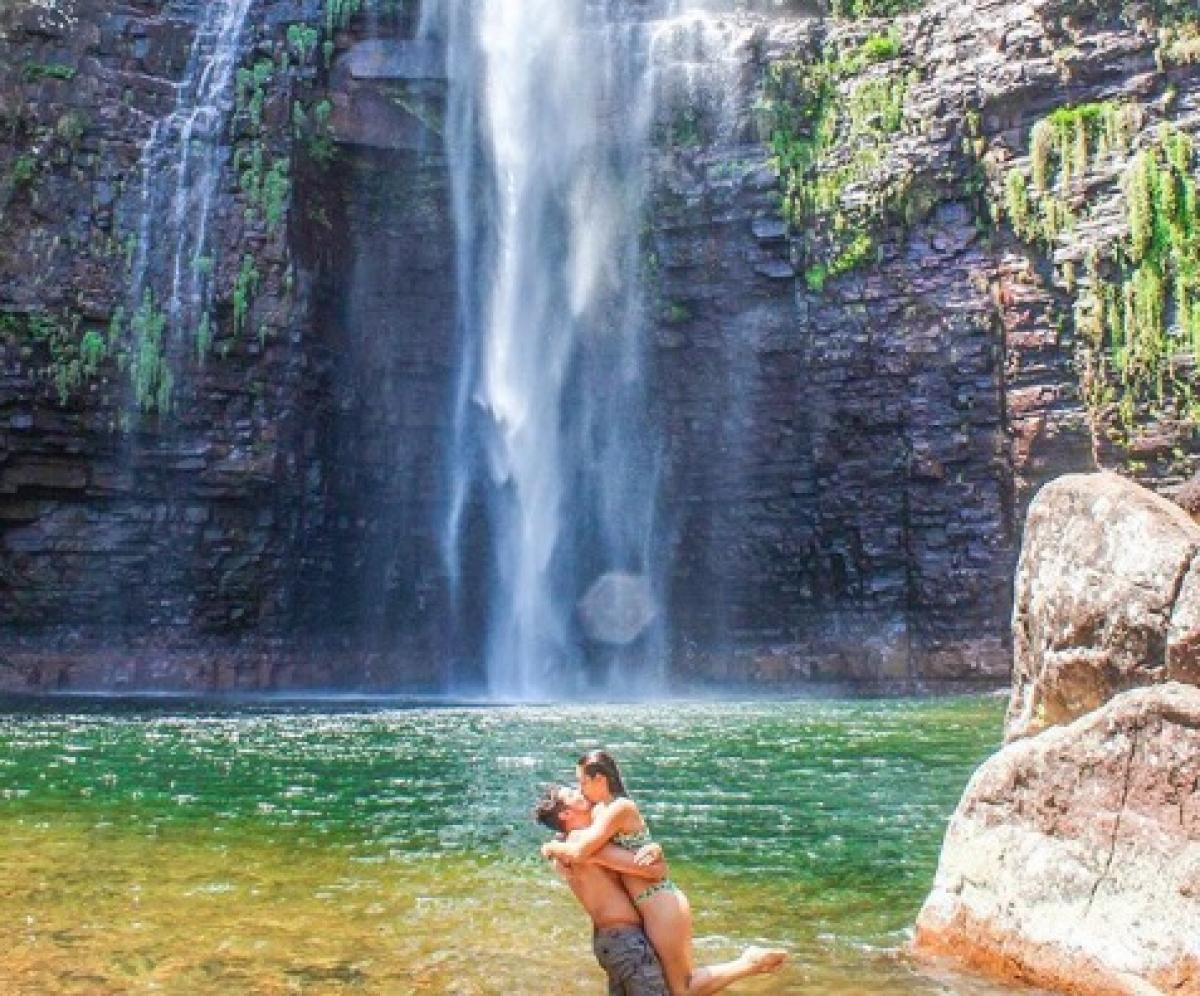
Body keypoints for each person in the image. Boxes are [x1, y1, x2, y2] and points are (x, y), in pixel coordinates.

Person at [540, 750, 788, 996]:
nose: (580, 790)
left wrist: (553, 847)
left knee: (681, 989)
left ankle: (750, 963)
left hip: (659, 901)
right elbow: (594, 847)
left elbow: (653, 869)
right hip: (646, 909)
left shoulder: (616, 809)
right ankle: (750, 963)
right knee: (676, 988)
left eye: (582, 783)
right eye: (576, 788)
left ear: (600, 779)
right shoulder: (597, 816)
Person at [534, 783, 671, 995]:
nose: (580, 791)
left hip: (611, 940)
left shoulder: (568, 844)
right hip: (626, 941)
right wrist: (656, 852)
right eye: (572, 793)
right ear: (566, 814)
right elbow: (654, 871)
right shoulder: (582, 844)